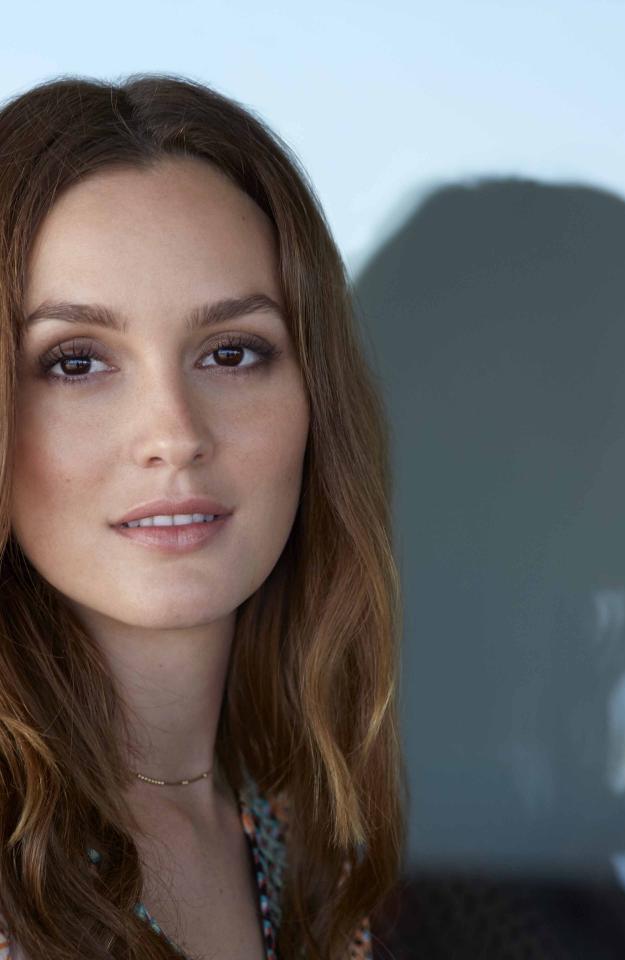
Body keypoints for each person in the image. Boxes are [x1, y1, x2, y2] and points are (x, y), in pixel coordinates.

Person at [0, 73, 406, 960]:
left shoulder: (315, 851)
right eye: (75, 362)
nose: (174, 435)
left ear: (316, 400)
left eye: (231, 352)